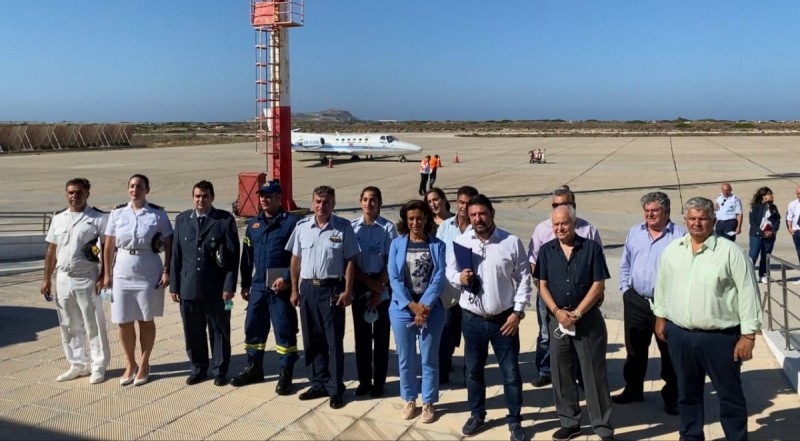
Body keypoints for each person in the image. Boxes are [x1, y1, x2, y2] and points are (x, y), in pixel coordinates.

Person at [654, 197, 762, 441]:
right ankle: (690, 436)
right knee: (687, 393)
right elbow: (662, 285)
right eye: (692, 218)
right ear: (685, 220)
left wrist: (748, 336)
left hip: (720, 339)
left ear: (713, 221)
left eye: (702, 218)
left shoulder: (731, 253)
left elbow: (748, 294)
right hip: (680, 335)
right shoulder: (673, 250)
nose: (697, 223)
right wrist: (660, 316)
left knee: (729, 395)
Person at [447, 194, 532, 441]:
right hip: (472, 320)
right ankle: (477, 414)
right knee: (473, 371)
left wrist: (517, 312)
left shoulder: (510, 242)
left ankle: (514, 420)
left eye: (482, 213)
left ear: (492, 213)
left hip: (504, 321)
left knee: (511, 374)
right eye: (473, 215)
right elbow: (449, 270)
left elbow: (524, 279)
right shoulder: (462, 242)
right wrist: (458, 278)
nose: (478, 219)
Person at [535, 204, 614, 441]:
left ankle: (602, 426)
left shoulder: (591, 248)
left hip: (587, 322)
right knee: (561, 374)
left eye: (564, 223)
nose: (560, 228)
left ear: (574, 223)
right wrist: (557, 311)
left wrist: (577, 313)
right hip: (558, 321)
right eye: (556, 224)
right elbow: (542, 285)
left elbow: (598, 284)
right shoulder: (546, 251)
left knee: (593, 376)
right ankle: (569, 422)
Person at [286, 185, 359, 409]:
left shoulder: (343, 227)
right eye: (318, 201)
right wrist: (294, 289)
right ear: (312, 202)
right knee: (312, 339)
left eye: (326, 202)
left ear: (333, 204)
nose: (321, 206)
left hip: (331, 289)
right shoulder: (302, 227)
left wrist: (348, 291)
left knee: (333, 341)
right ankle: (318, 383)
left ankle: (335, 388)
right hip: (308, 288)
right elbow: (295, 260)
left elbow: (350, 261)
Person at [614, 192, 686, 415]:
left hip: (666, 305)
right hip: (636, 301)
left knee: (669, 352)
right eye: (647, 211)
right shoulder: (635, 232)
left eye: (655, 210)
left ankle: (672, 397)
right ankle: (633, 389)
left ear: (667, 212)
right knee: (634, 349)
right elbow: (625, 263)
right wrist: (626, 290)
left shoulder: (680, 236)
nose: (650, 215)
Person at [528, 185, 602, 388]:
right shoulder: (543, 228)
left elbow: (598, 264)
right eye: (554, 205)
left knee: (580, 337)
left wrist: (598, 293)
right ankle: (545, 371)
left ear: (573, 205)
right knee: (547, 334)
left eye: (563, 204)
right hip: (549, 296)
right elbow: (533, 259)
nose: (558, 208)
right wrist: (541, 288)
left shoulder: (588, 229)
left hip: (581, 297)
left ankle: (580, 375)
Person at [103, 174, 173, 386]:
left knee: (145, 319)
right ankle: (130, 363)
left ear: (147, 190)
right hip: (122, 270)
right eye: (132, 186)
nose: (135, 190)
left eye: (140, 186)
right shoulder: (117, 213)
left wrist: (167, 270)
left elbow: (170, 242)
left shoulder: (158, 214)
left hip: (148, 269)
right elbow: (109, 245)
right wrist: (107, 274)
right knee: (123, 320)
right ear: (128, 189)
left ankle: (144, 363)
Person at [231, 181, 300, 394]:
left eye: (268, 196)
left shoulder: (291, 224)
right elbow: (247, 257)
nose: (264, 199)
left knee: (284, 329)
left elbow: (298, 256)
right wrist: (245, 283)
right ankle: (254, 368)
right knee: (253, 327)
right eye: (262, 196)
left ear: (279, 198)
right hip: (259, 286)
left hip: (281, 288)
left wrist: (287, 279)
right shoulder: (254, 224)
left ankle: (286, 373)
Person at [41, 178, 111, 384]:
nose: (74, 196)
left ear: (87, 194)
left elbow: (107, 249)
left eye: (79, 192)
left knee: (93, 324)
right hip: (63, 278)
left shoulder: (98, 218)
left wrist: (104, 275)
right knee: (68, 324)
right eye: (71, 192)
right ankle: (78, 364)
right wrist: (46, 279)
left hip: (87, 277)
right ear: (66, 194)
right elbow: (52, 250)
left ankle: (98, 365)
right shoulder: (58, 218)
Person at [170, 180, 240, 386]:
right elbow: (176, 256)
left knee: (219, 331)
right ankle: (198, 368)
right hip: (188, 286)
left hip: (215, 288)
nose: (201, 200)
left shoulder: (224, 220)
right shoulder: (182, 220)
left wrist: (229, 286)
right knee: (193, 331)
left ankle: (220, 370)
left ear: (212, 197)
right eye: (198, 196)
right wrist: (174, 286)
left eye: (205, 196)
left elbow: (232, 257)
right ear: (193, 197)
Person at [388, 199, 446, 423]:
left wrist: (424, 306)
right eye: (411, 219)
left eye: (419, 218)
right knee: (406, 357)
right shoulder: (397, 244)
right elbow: (394, 278)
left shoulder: (437, 245)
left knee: (429, 357)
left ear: (426, 219)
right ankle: (410, 398)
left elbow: (439, 277)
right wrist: (412, 306)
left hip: (431, 309)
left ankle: (429, 401)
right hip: (403, 308)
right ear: (406, 220)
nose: (415, 223)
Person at [351, 186, 397, 398]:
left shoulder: (387, 228)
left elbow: (391, 261)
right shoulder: (352, 228)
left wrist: (379, 289)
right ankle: (364, 381)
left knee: (381, 338)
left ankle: (378, 382)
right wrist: (368, 283)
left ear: (379, 203)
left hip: (382, 283)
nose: (368, 203)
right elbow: (350, 261)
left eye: (373, 200)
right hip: (361, 283)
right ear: (360, 202)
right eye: (365, 199)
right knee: (361, 338)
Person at [435, 185, 479, 384]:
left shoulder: (479, 228)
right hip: (447, 290)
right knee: (445, 333)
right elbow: (437, 256)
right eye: (461, 202)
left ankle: (470, 376)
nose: (464, 207)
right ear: (455, 202)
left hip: (470, 290)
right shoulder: (445, 227)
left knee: (470, 336)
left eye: (468, 203)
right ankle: (442, 372)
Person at [748, 187, 781, 284]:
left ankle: (763, 275)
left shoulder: (773, 207)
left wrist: (773, 231)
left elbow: (777, 220)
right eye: (770, 194)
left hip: (769, 236)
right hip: (756, 235)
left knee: (766, 256)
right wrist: (761, 233)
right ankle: (749, 275)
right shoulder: (755, 206)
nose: (772, 196)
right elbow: (753, 222)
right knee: (753, 255)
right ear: (764, 196)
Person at [785, 184, 800, 283]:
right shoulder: (792, 204)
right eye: (798, 193)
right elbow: (789, 217)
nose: (799, 195)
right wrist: (790, 229)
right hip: (797, 231)